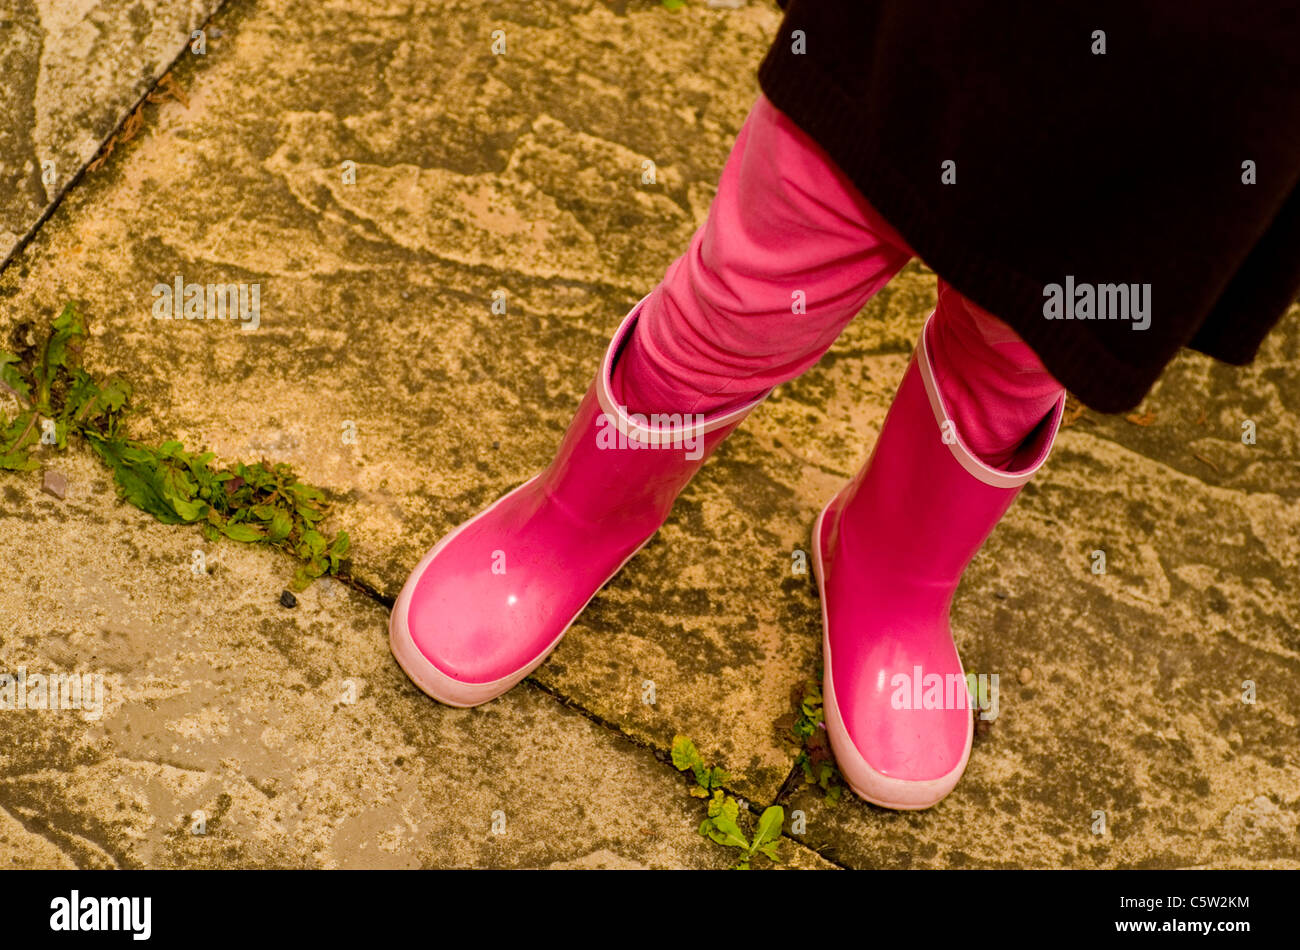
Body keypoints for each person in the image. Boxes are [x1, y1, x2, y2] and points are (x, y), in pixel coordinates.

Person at [389, 2, 1300, 809]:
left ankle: (890, 571)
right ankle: (585, 511)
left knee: (1026, 339)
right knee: (761, 275)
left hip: (1215, 68)